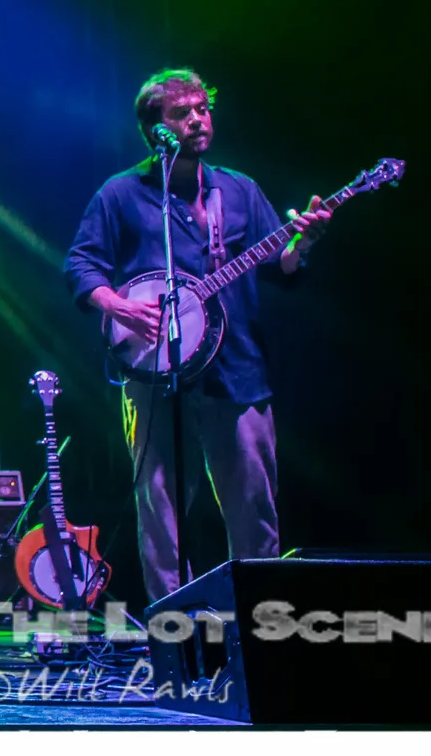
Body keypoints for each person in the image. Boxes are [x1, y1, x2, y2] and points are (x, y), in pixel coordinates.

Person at [64, 68, 331, 600]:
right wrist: (119, 306)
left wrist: (304, 243)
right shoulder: (121, 194)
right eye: (181, 113)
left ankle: (260, 619)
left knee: (254, 506)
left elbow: (278, 266)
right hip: (154, 373)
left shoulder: (239, 189)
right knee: (161, 512)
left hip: (237, 369)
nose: (197, 120)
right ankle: (174, 626)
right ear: (155, 129)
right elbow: (81, 265)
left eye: (202, 109)